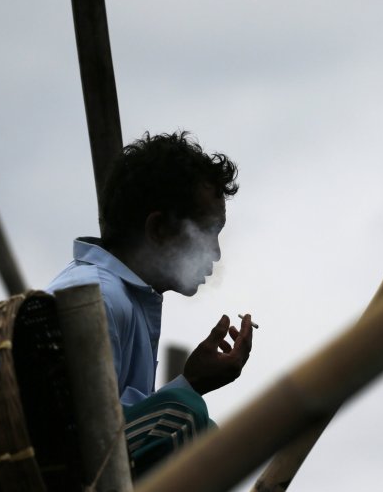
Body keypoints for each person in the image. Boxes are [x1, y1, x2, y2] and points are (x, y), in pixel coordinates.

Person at [47, 131, 253, 476]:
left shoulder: (124, 297)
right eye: (208, 232)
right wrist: (185, 397)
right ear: (158, 229)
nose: (215, 252)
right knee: (186, 414)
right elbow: (76, 446)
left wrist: (192, 380)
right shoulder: (94, 298)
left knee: (205, 431)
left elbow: (120, 424)